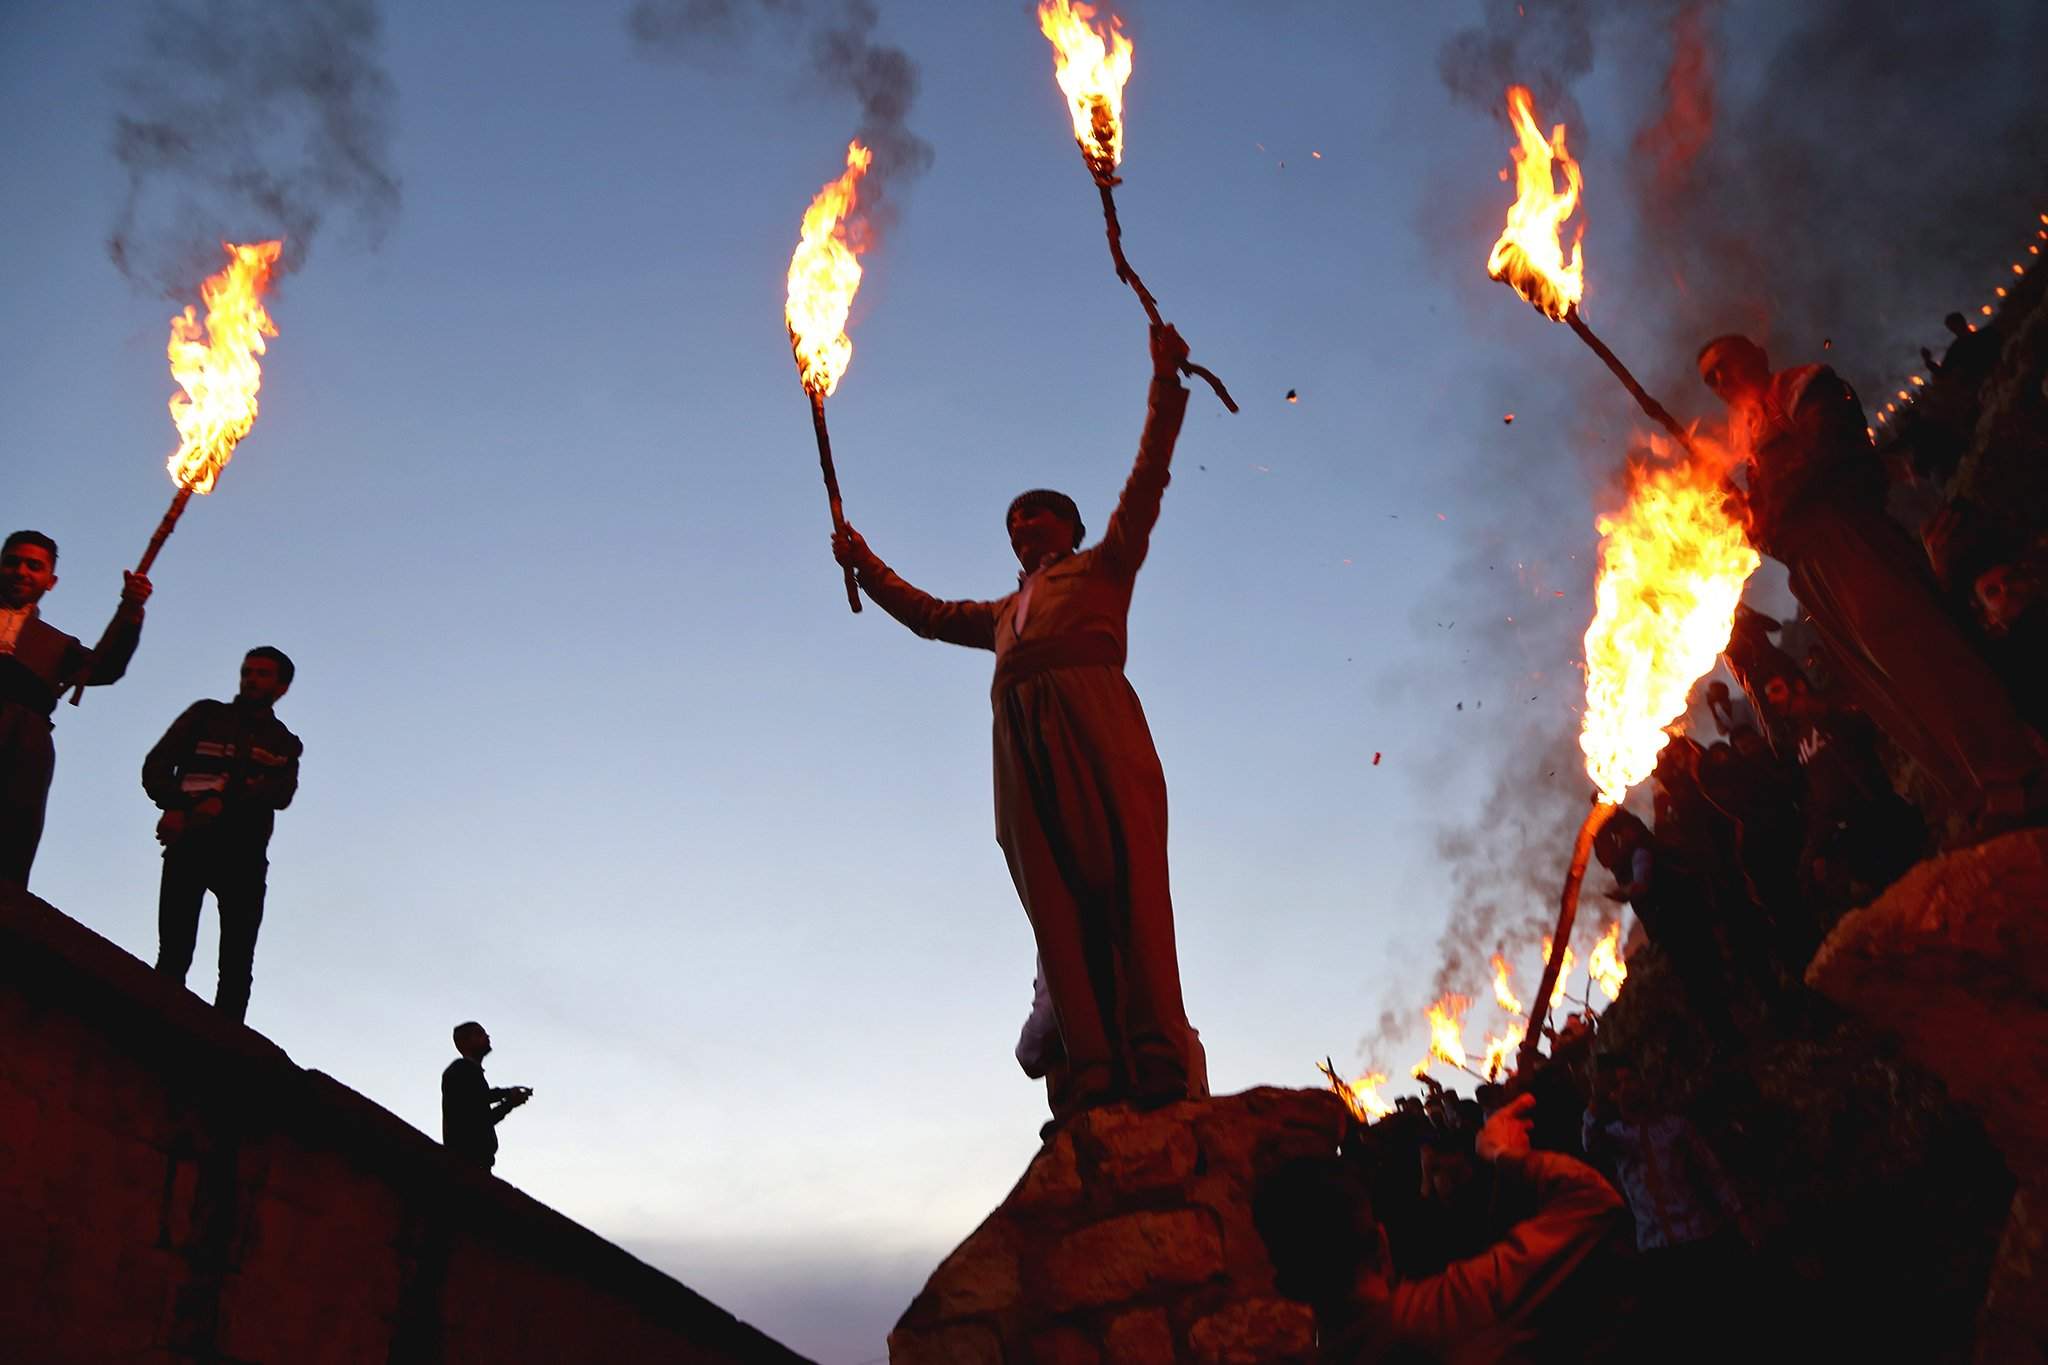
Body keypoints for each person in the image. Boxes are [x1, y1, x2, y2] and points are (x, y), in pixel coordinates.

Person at [834, 323, 1199, 1121]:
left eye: (1035, 516)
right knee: (1053, 897)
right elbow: (929, 615)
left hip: (1093, 715)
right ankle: (1091, 1063)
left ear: (1068, 527)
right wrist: (865, 563)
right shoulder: (1003, 613)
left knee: (1128, 879)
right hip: (1018, 740)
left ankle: (1157, 1055)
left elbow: (1146, 483)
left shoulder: (1103, 568)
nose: (1022, 527)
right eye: (1013, 523)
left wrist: (1165, 387)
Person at [1698, 335, 2044, 832]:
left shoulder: (1803, 386)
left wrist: (1772, 507)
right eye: (1709, 379)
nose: (1719, 382)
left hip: (1850, 537)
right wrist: (1747, 513)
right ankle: (1972, 796)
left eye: (1723, 367)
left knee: (1923, 655)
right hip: (1812, 570)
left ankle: (2015, 775)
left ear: (1754, 355)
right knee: (1886, 688)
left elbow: (1832, 456)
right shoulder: (1751, 441)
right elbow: (1768, 532)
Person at [1255, 1094, 1623, 1363]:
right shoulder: (1454, 1310)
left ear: (1284, 1284)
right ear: (1382, 1243)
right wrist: (1503, 1153)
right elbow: (1592, 1200)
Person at [143, 647, 303, 1023]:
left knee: (236, 967)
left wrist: (220, 798)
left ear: (281, 686)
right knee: (174, 952)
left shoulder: (284, 742)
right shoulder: (206, 715)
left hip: (244, 854)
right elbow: (157, 765)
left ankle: (224, 1050)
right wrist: (179, 806)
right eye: (248, 671)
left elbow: (282, 794)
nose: (251, 679)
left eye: (263, 673)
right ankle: (155, 1026)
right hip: (191, 841)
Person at [0, 530, 150, 887]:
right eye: (13, 562)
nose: (21, 571)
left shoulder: (56, 644)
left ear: (50, 581)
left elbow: (104, 668)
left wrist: (130, 609)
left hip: (26, 740)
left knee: (11, 837)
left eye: (33, 566)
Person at [441, 1021, 531, 1170]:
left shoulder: (467, 1072)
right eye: (479, 1033)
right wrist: (509, 1097)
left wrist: (509, 1100)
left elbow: (481, 1115)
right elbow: (480, 1107)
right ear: (464, 1042)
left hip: (475, 1161)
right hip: (466, 1160)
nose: (487, 1036)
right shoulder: (461, 1069)